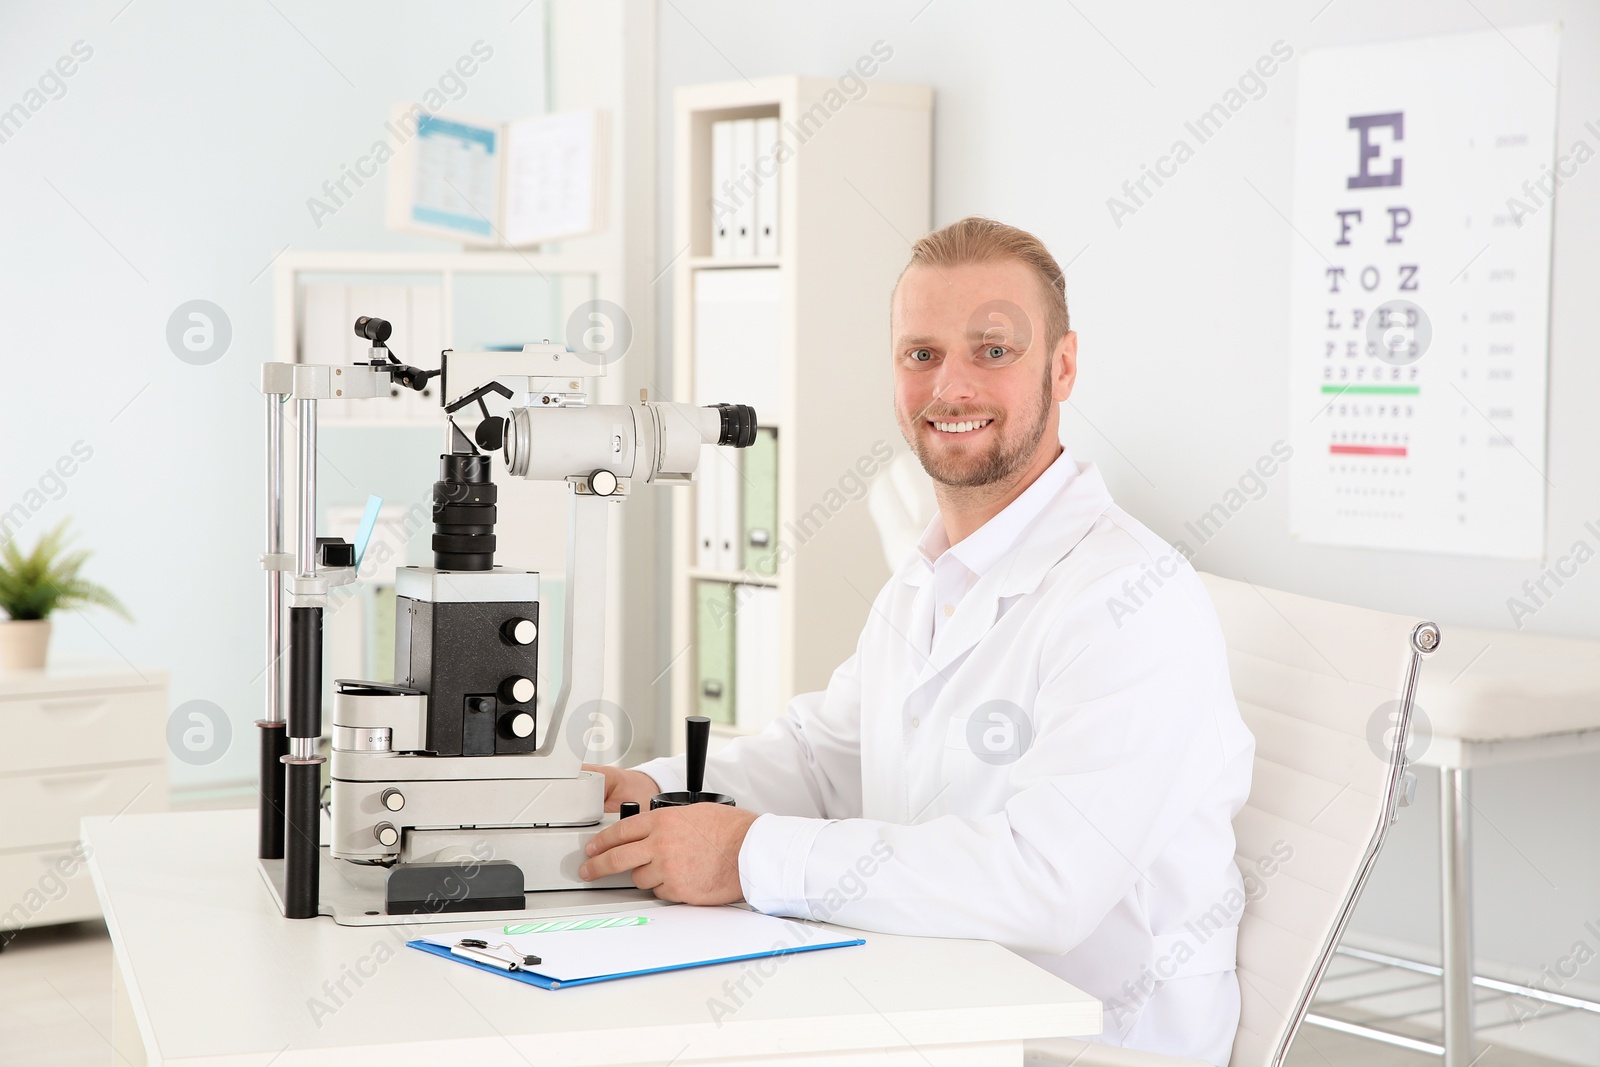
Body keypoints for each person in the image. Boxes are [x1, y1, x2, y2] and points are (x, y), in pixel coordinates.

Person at [579, 216, 1255, 1064]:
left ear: (1064, 365)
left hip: (1083, 1041)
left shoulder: (1132, 599)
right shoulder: (929, 576)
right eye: (921, 354)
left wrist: (749, 853)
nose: (952, 386)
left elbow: (1045, 882)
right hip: (928, 1000)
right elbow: (824, 759)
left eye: (994, 350)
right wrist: (648, 790)